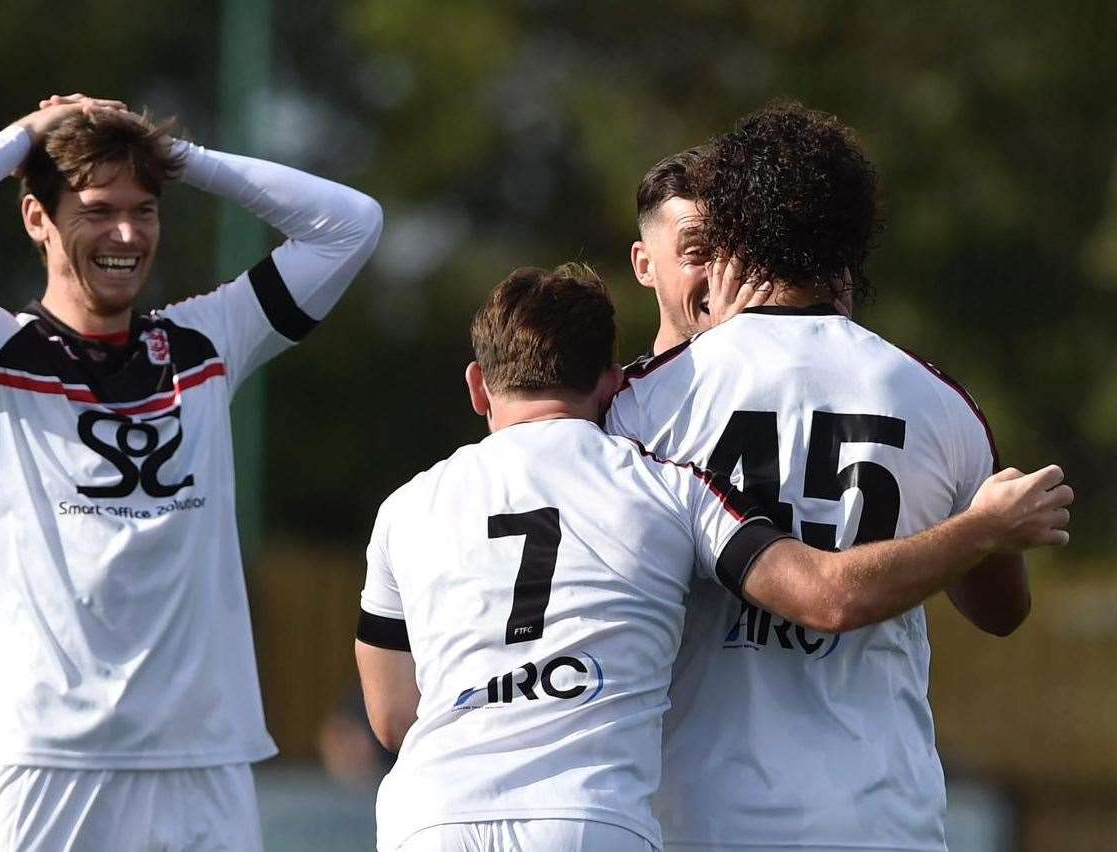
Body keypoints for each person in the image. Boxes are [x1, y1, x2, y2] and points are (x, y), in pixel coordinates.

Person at [354, 264, 1070, 852]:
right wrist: (980, 528)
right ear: (610, 383)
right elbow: (825, 595)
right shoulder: (665, 488)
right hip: (587, 818)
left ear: (478, 384)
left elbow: (392, 717)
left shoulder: (405, 510)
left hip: (428, 815)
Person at [0, 93, 382, 850]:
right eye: (99, 210)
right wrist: (23, 138)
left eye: (146, 209)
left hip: (202, 760)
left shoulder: (209, 340)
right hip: (42, 762)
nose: (128, 234)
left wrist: (179, 156)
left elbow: (351, 224)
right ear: (38, 219)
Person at [608, 102, 1039, 851]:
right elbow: (1000, 611)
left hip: (698, 818)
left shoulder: (648, 402)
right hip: (881, 818)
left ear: (730, 233)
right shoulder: (938, 402)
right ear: (856, 238)